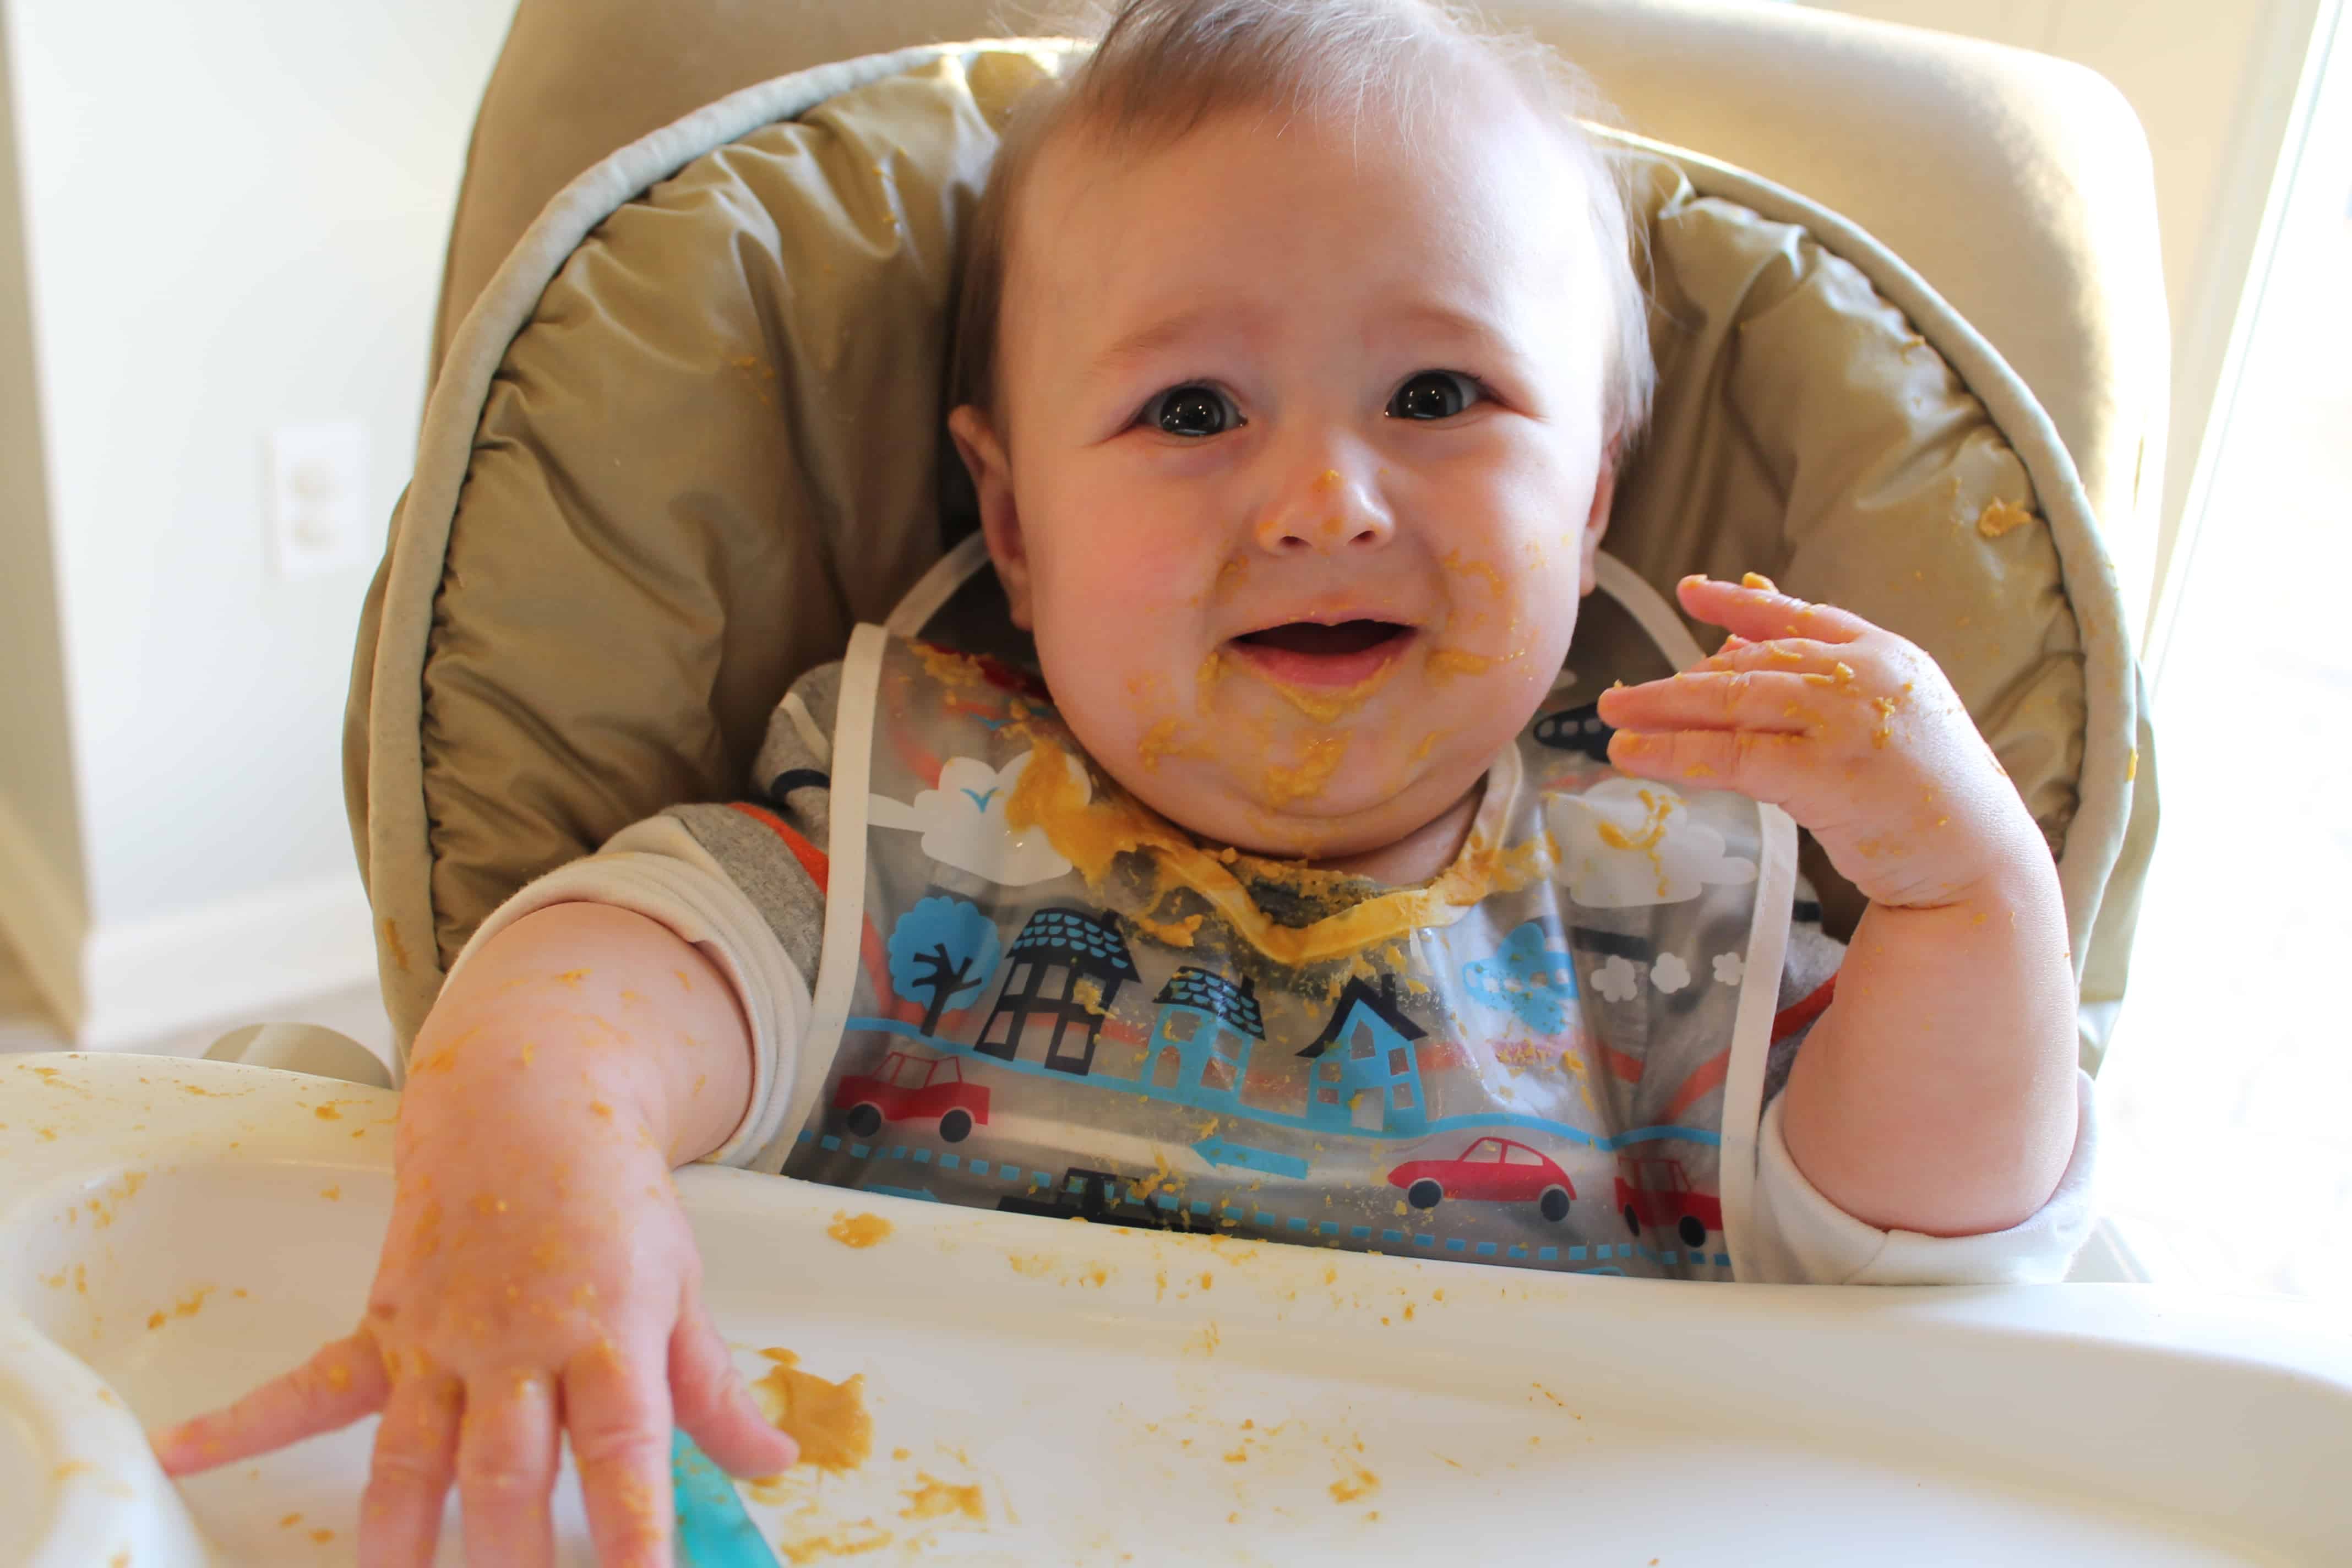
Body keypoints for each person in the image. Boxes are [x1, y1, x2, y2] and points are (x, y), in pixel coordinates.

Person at [150, 1, 2094, 1561]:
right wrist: (535, 1165)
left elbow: (1920, 1252)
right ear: (1014, 517)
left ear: (1587, 495)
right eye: (1189, 410)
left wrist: (1961, 897)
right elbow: (612, 967)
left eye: (1441, 397)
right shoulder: (923, 823)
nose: (1326, 500)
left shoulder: (1668, 906)